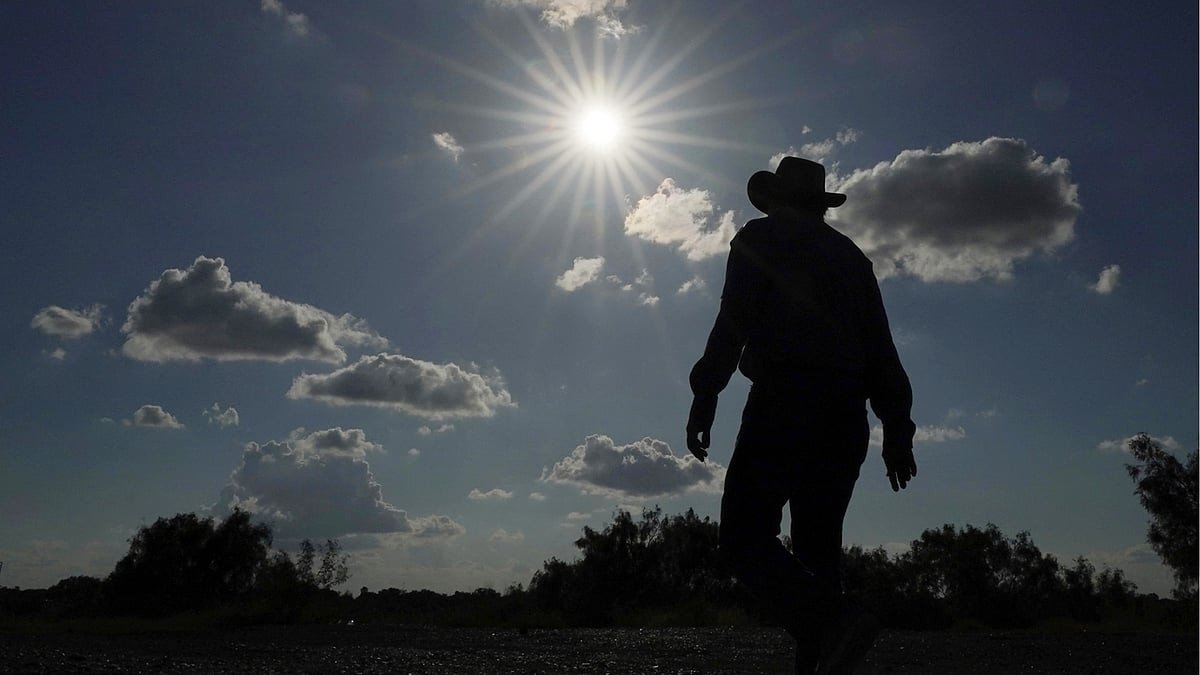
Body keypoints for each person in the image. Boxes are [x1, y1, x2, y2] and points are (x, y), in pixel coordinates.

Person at [686, 157, 917, 674]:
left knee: (744, 539)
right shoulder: (852, 258)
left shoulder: (762, 238)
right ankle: (827, 640)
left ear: (775, 200)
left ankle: (836, 620)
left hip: (785, 402)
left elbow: (734, 321)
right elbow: (882, 351)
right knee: (817, 557)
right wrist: (897, 429)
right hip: (845, 415)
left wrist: (706, 393)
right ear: (819, 203)